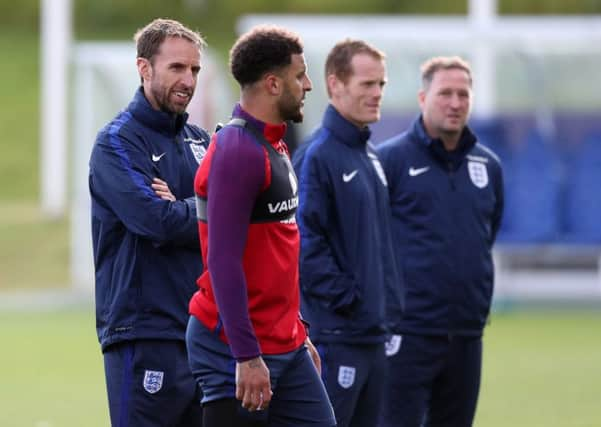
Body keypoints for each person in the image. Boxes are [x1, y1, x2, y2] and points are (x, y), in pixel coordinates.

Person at [186, 25, 336, 427]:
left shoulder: (276, 145)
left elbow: (276, 254)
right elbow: (222, 261)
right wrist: (246, 355)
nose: (307, 85)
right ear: (273, 83)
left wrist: (298, 331)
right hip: (233, 347)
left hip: (285, 344)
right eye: (299, 75)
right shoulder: (237, 152)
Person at [89, 18, 210, 427]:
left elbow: (238, 221)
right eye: (177, 67)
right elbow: (155, 221)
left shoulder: (202, 141)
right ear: (144, 68)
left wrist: (186, 207)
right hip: (144, 334)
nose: (188, 79)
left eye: (194, 69)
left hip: (204, 334)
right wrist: (204, 210)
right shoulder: (117, 142)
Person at [377, 56, 504, 427]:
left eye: (463, 94)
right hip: (407, 333)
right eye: (445, 93)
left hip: (466, 333)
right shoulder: (391, 160)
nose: (455, 102)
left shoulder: (488, 165)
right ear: (422, 98)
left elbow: (485, 234)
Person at [293, 39, 404, 427]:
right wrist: (351, 300)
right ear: (335, 84)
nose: (376, 94)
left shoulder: (369, 155)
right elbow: (304, 241)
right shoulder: (318, 156)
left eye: (381, 85)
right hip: (337, 336)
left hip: (371, 335)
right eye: (367, 84)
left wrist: (387, 306)